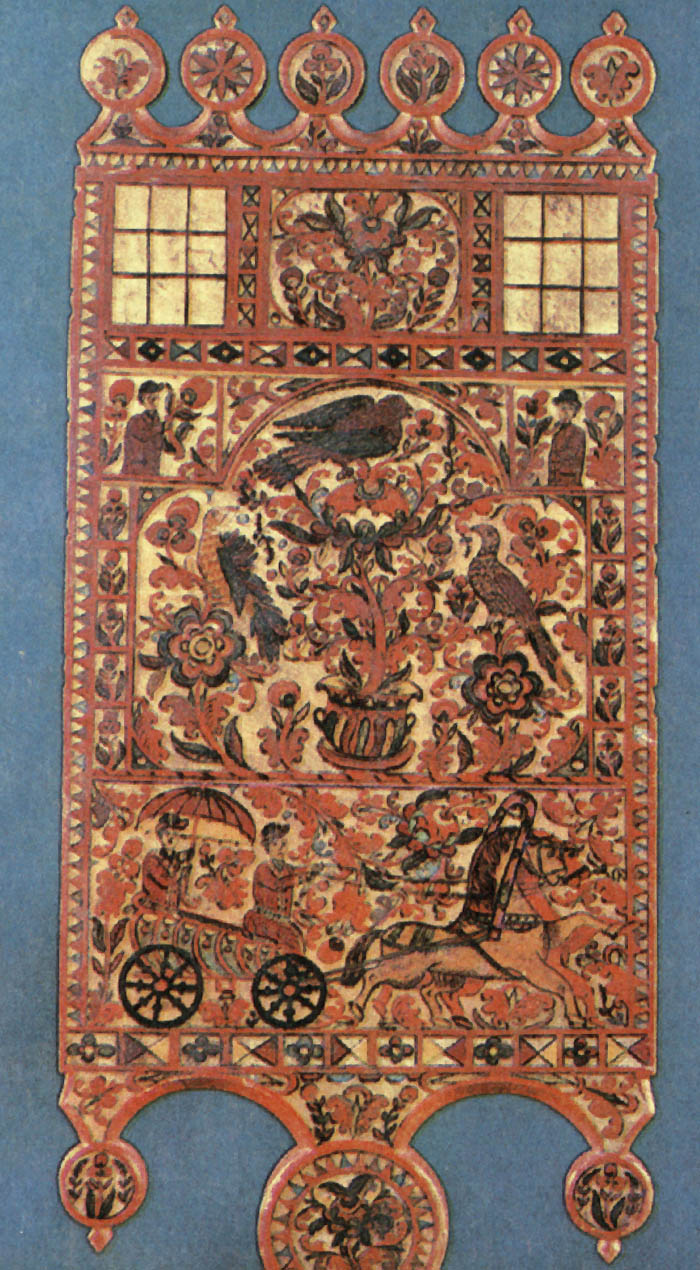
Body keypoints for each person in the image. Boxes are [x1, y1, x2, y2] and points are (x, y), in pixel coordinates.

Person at [242, 822, 303, 953]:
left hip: (281, 923)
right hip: (263, 920)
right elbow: (277, 884)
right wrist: (294, 880)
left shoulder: (288, 869)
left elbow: (300, 872)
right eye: (275, 844)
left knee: (297, 936)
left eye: (283, 844)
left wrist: (313, 872)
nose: (280, 848)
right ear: (267, 847)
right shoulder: (263, 869)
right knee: (289, 939)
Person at [121, 380, 183, 478]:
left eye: (156, 397)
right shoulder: (135, 420)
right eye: (149, 398)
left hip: (152, 474)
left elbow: (160, 444)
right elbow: (144, 435)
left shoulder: (156, 422)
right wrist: (162, 427)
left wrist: (174, 443)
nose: (153, 401)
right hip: (133, 474)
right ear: (142, 400)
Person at [138, 813, 194, 912]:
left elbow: (180, 890)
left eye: (175, 835)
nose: (171, 838)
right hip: (152, 907)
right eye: (167, 834)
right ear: (160, 836)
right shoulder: (153, 857)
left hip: (171, 908)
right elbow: (165, 881)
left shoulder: (176, 859)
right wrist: (180, 872)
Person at [547, 387, 586, 486]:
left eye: (570, 409)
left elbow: (574, 459)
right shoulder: (556, 433)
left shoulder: (578, 432)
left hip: (570, 482)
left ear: (575, 412)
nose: (566, 412)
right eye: (563, 408)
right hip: (555, 482)